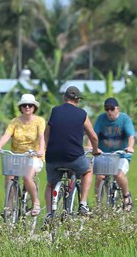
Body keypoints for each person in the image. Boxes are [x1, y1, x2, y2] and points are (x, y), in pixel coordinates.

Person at [43, 86, 101, 217]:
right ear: (78, 100)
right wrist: (96, 150)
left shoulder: (55, 111)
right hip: (74, 157)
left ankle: (48, 214)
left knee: (50, 184)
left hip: (53, 157)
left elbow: (46, 134)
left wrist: (46, 149)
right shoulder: (82, 114)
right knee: (87, 171)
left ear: (64, 98)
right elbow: (93, 136)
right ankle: (83, 204)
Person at [0, 93, 46, 216]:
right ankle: (9, 206)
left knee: (27, 177)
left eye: (30, 105)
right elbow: (7, 135)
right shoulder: (15, 122)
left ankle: (36, 202)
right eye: (24, 105)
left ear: (34, 107)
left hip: (33, 155)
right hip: (16, 156)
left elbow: (41, 136)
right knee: (9, 177)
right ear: (21, 107)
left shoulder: (39, 121)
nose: (27, 107)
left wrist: (41, 150)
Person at [93, 97, 136, 211]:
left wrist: (130, 147)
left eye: (112, 109)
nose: (109, 112)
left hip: (121, 155)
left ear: (118, 109)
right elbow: (93, 135)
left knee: (118, 174)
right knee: (99, 177)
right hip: (105, 155)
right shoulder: (101, 119)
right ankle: (98, 204)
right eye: (107, 109)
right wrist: (91, 147)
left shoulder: (124, 119)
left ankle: (126, 196)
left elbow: (131, 136)